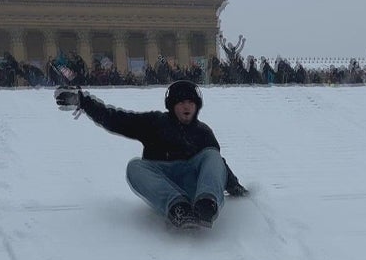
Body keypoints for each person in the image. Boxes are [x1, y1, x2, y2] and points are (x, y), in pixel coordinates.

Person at [55, 79, 247, 229]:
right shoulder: (155, 122)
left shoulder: (203, 131)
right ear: (172, 105)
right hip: (164, 181)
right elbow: (116, 119)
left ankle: (207, 205)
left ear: (197, 106)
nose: (186, 107)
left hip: (195, 187)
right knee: (135, 166)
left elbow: (217, 165)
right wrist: (84, 102)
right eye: (181, 102)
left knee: (212, 155)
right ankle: (178, 208)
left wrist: (235, 187)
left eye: (190, 102)